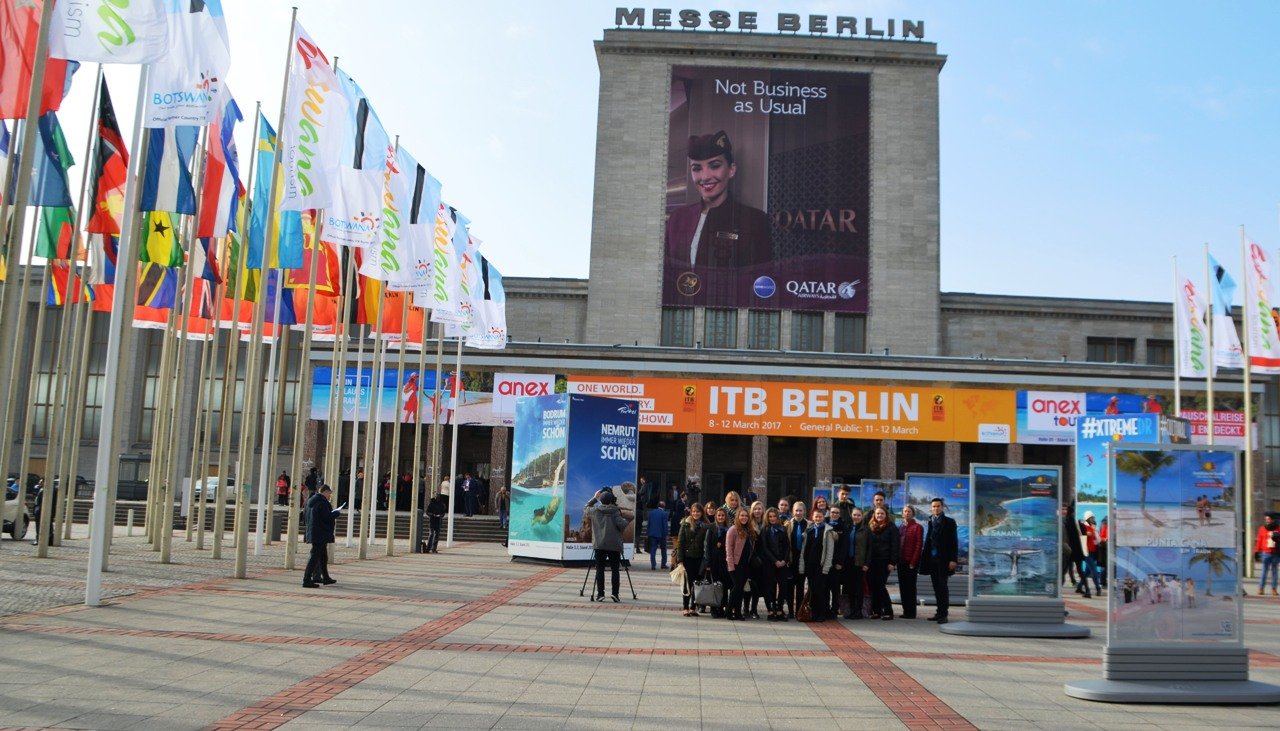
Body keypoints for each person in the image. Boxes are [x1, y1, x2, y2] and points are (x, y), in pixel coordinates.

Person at [663, 130, 772, 276]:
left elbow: (762, 280)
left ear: (731, 170)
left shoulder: (754, 220)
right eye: (697, 168)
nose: (705, 176)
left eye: (714, 166)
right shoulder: (677, 218)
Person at [585, 488, 629, 602]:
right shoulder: (615, 511)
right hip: (614, 545)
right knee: (615, 569)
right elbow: (623, 525)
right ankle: (615, 594)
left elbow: (585, 508)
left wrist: (595, 498)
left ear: (601, 500)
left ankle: (600, 594)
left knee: (600, 569)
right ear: (611, 501)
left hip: (600, 544)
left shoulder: (595, 511)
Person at [921, 498, 958, 624]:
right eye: (934, 506)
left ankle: (944, 614)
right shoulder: (931, 521)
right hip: (932, 559)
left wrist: (953, 559)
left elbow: (954, 542)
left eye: (938, 506)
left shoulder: (949, 522)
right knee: (936, 587)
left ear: (942, 507)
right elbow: (928, 540)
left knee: (943, 587)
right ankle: (938, 612)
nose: (936, 508)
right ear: (931, 508)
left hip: (944, 560)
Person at [799, 506, 835, 621]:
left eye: (820, 516)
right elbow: (804, 549)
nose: (818, 518)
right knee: (812, 589)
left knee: (820, 590)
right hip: (810, 564)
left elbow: (830, 551)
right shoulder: (809, 530)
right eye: (816, 516)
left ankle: (822, 613)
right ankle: (813, 613)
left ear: (823, 517)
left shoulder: (827, 531)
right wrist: (802, 565)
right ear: (813, 517)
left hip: (821, 565)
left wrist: (826, 567)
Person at [303, 485, 341, 587]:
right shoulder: (322, 502)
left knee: (323, 556)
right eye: (329, 493)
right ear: (325, 492)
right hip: (320, 532)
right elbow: (327, 517)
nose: (330, 496)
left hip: (314, 531)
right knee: (314, 557)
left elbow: (304, 516)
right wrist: (336, 513)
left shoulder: (310, 501)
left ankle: (326, 577)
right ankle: (306, 580)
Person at [725, 505, 757, 620]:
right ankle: (729, 611)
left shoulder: (749, 530)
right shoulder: (733, 530)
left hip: (745, 564)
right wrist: (731, 565)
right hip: (735, 564)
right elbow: (728, 549)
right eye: (742, 515)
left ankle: (738, 612)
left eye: (746, 516)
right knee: (737, 588)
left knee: (740, 589)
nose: (744, 518)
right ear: (738, 517)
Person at [675, 503, 708, 616]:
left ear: (702, 513)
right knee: (687, 584)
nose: (695, 514)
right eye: (693, 511)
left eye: (698, 511)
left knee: (697, 584)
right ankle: (685, 607)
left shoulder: (706, 525)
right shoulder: (685, 524)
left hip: (700, 558)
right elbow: (680, 542)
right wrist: (680, 560)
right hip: (687, 558)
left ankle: (693, 607)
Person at [760, 507, 790, 621]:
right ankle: (770, 609)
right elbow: (765, 547)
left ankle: (779, 608)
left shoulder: (782, 528)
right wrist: (775, 561)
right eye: (770, 516)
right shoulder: (765, 529)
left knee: (783, 586)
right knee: (769, 587)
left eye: (774, 516)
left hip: (782, 562)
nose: (772, 518)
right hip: (769, 562)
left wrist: (784, 560)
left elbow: (787, 546)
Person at [703, 507, 731, 617]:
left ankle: (722, 606)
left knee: (723, 585)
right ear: (716, 516)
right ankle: (714, 607)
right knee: (714, 585)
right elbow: (706, 546)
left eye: (723, 515)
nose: (720, 517)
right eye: (719, 515)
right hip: (713, 562)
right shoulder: (711, 529)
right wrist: (707, 563)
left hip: (724, 562)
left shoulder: (728, 529)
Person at [898, 505, 923, 619]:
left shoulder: (917, 527)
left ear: (913, 513)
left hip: (911, 562)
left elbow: (918, 546)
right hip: (901, 561)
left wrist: (913, 561)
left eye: (909, 511)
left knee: (910, 587)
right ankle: (905, 611)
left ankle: (911, 612)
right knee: (903, 587)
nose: (907, 513)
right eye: (905, 511)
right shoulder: (901, 527)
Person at [841, 508, 866, 619]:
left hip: (860, 562)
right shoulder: (849, 527)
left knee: (858, 588)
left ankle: (858, 610)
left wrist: (866, 563)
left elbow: (869, 548)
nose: (856, 517)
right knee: (850, 587)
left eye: (858, 515)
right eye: (854, 515)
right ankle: (851, 610)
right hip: (849, 562)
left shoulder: (865, 530)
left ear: (862, 516)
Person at [785, 501, 808, 619]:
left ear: (804, 511)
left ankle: (799, 610)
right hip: (791, 560)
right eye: (796, 510)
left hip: (802, 560)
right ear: (792, 511)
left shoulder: (809, 525)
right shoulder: (788, 524)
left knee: (800, 587)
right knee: (790, 587)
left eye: (800, 510)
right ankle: (790, 610)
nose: (798, 513)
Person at [1061, 504, 1088, 597]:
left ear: (1069, 510)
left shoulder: (1068, 521)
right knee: (1079, 571)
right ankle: (1087, 590)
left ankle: (1057, 592)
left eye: (1065, 509)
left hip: (1071, 550)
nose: (1063, 511)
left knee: (1063, 571)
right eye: (1062, 509)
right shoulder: (1072, 520)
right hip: (1076, 550)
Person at [1255, 513, 1280, 596]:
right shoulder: (1262, 529)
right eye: (1266, 519)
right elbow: (1259, 540)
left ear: (1272, 520)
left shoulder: (1278, 528)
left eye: (1268, 519)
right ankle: (1261, 588)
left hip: (1275, 553)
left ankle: (1274, 589)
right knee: (1264, 571)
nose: (1266, 521)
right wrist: (1257, 551)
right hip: (1265, 552)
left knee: (1274, 572)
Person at [1080, 511, 1102, 596]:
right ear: (1088, 519)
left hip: (1093, 552)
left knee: (1087, 572)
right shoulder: (1084, 527)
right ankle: (1098, 588)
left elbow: (1098, 540)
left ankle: (1079, 586)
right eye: (1092, 518)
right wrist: (1090, 533)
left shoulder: (1093, 527)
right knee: (1094, 570)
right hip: (1087, 552)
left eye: (1094, 518)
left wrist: (1094, 532)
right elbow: (1083, 536)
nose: (1093, 519)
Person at [30, 478, 56, 547]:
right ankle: (39, 539)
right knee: (38, 526)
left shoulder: (51, 490)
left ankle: (45, 540)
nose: (39, 483)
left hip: (44, 510)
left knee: (47, 526)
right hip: (38, 510)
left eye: (41, 482)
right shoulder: (41, 489)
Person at [647, 501, 670, 570]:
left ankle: (653, 565)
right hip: (661, 534)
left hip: (652, 534)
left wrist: (648, 532)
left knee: (653, 549)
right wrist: (666, 534)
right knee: (663, 549)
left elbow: (649, 523)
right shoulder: (665, 514)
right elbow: (665, 525)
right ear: (664, 506)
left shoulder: (651, 512)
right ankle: (663, 564)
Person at [635, 477, 651, 551]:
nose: (641, 481)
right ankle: (637, 547)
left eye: (642, 480)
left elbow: (642, 493)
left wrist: (638, 493)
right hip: (639, 521)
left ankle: (637, 547)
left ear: (644, 480)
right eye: (640, 480)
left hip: (643, 501)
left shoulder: (645, 486)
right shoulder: (643, 486)